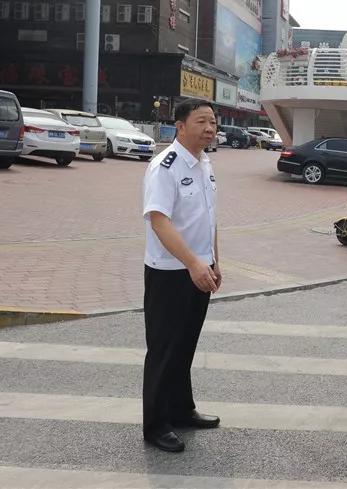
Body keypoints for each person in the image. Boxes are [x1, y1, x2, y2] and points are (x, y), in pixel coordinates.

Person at [141, 98, 222, 453]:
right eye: (202, 121)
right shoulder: (166, 166)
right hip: (171, 272)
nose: (209, 129)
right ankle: (156, 424)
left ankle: (181, 409)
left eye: (213, 123)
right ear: (180, 125)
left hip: (199, 269)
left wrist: (214, 261)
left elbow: (209, 217)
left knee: (186, 345)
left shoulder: (205, 164)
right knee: (164, 348)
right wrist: (192, 263)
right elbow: (159, 220)